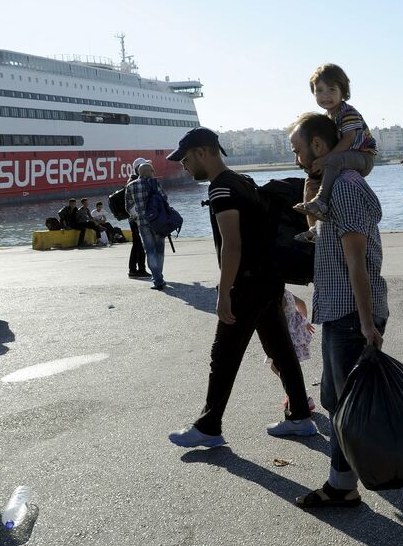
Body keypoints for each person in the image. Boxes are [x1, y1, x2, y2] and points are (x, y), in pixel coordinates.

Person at [288, 113, 403, 508]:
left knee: (351, 403)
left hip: (352, 312)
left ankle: (345, 484)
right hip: (340, 309)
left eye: (297, 150)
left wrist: (366, 323)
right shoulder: (332, 189)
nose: (295, 158)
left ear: (318, 146)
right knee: (338, 399)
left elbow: (357, 261)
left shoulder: (346, 188)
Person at [166, 127, 316, 448]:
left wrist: (223, 293)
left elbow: (231, 245)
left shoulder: (221, 188)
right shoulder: (242, 181)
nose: (184, 166)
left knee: (223, 356)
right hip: (269, 280)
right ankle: (300, 416)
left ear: (202, 152)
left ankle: (208, 427)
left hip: (246, 284)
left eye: (186, 159)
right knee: (281, 350)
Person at [293, 64, 378, 232]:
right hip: (347, 156)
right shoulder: (328, 117)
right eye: (319, 91)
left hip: (363, 156)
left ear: (343, 92)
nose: (325, 95)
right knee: (312, 180)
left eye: (331, 90)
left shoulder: (348, 113)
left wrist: (325, 159)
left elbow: (348, 139)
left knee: (334, 161)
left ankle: (321, 202)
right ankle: (314, 229)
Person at [125, 163, 168, 290]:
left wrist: (138, 216)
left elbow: (128, 207)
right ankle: (159, 277)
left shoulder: (131, 185)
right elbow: (164, 198)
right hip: (158, 222)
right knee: (159, 250)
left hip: (143, 223)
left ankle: (157, 279)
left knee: (150, 251)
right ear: (150, 171)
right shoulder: (155, 183)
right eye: (152, 170)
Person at [126, 159, 151, 279]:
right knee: (138, 244)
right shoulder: (134, 182)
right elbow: (129, 205)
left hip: (135, 218)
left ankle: (139, 269)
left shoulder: (133, 181)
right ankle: (135, 269)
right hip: (136, 219)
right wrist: (137, 217)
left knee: (139, 244)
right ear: (138, 169)